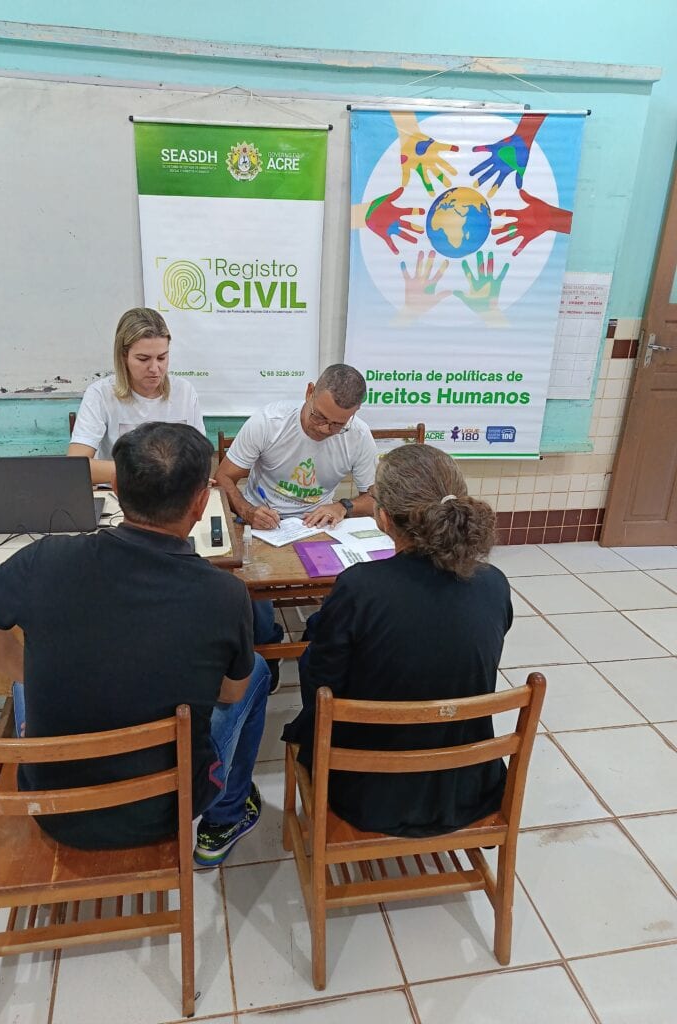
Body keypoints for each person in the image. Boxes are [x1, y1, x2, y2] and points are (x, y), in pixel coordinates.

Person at [0, 422, 268, 867]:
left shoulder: (46, 559)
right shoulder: (226, 594)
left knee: (37, 667)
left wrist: (30, 676)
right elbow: (229, 694)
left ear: (115, 489)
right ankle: (224, 819)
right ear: (199, 504)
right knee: (256, 672)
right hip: (167, 808)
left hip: (54, 807)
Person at [283, 443, 513, 838]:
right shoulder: (493, 583)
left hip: (368, 794)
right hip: (467, 787)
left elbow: (320, 688)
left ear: (383, 517)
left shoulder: (360, 587)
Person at [215, 364, 378, 690]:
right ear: (309, 392)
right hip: (261, 520)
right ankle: (267, 648)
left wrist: (342, 506)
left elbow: (374, 498)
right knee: (251, 588)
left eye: (338, 424)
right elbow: (223, 477)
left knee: (352, 583)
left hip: (317, 524)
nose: (325, 429)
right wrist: (247, 511)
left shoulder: (358, 435)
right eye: (319, 417)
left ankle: (319, 639)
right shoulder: (269, 422)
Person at [68, 307, 205, 485]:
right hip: (119, 494)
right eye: (143, 359)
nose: (154, 369)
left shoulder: (185, 392)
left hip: (174, 494)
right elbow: (76, 467)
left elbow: (201, 460)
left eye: (162, 358)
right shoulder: (100, 394)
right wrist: (152, 471)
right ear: (124, 356)